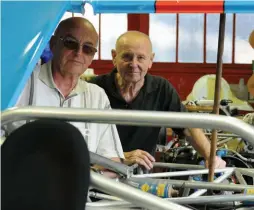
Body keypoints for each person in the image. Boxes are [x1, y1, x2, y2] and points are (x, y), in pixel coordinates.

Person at [90, 31, 226, 170]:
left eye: (141, 58)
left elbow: (188, 127)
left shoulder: (161, 88)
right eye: (127, 57)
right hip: (100, 173)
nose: (134, 64)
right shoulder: (94, 88)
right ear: (114, 57)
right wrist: (121, 157)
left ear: (151, 60)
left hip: (141, 174)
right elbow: (82, 142)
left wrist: (211, 156)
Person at [3, 17, 124, 166]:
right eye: (70, 43)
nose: (78, 53)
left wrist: (82, 181)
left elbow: (111, 161)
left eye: (88, 48)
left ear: (92, 56)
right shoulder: (20, 84)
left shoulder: (97, 96)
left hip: (80, 187)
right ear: (53, 44)